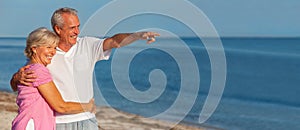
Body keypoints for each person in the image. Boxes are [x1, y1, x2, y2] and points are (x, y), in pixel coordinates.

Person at [10, 7, 160, 130]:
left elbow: (115, 41)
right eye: (72, 28)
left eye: (78, 26)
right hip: (58, 122)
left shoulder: (87, 45)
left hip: (87, 120)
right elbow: (21, 84)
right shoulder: (47, 53)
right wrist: (16, 78)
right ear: (58, 29)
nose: (77, 31)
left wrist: (137, 35)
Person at [11, 27, 95, 130]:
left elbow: (14, 87)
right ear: (34, 48)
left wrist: (15, 79)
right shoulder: (38, 70)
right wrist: (88, 106)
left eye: (54, 48)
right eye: (48, 47)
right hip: (33, 125)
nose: (53, 52)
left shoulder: (27, 67)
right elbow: (61, 106)